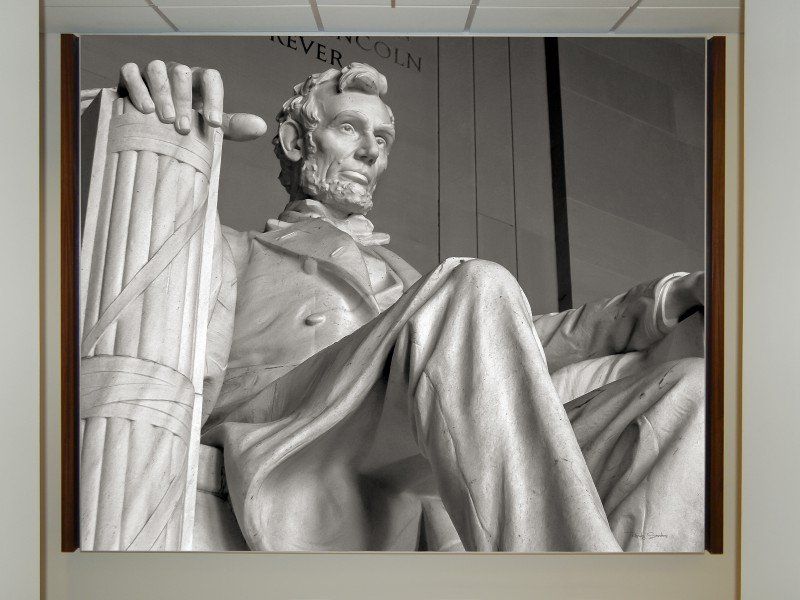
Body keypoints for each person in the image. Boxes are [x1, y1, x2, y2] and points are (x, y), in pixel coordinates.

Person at [112, 59, 706, 552]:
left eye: (382, 139)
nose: (371, 152)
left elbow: (519, 343)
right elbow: (151, 319)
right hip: (294, 429)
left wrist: (667, 301)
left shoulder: (416, 283)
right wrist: (149, 126)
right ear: (296, 142)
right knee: (473, 285)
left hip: (409, 444)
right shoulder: (234, 247)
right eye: (350, 129)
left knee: (688, 391)